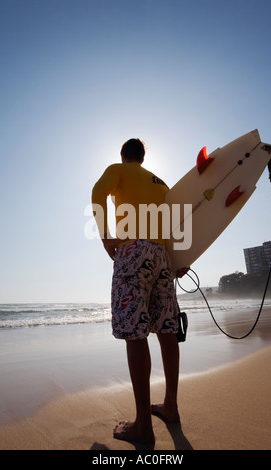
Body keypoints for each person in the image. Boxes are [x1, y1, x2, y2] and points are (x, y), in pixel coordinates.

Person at [91, 138, 188, 445]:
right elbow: (177, 221)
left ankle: (143, 426)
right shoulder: (161, 184)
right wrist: (179, 259)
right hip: (162, 254)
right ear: (144, 158)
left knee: (135, 332)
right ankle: (170, 406)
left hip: (133, 251)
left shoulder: (117, 170)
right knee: (167, 330)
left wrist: (107, 236)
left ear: (124, 156)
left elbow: (97, 193)